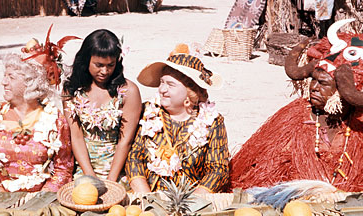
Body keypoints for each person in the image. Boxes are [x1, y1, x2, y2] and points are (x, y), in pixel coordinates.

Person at [230, 19, 363, 192]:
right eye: (313, 80)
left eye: (322, 83)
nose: (313, 87)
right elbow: (264, 173)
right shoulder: (293, 120)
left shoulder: (357, 124)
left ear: (341, 91)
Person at [126, 45, 229, 194]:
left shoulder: (212, 122)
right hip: (149, 198)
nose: (162, 89)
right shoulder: (148, 113)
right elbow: (134, 157)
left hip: (193, 202)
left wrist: (192, 204)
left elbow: (218, 169)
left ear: (190, 92)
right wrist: (146, 197)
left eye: (170, 84)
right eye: (162, 82)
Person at [0, 35, 74, 192]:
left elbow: (63, 169)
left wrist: (41, 198)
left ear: (31, 83)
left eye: (11, 77)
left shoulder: (56, 121)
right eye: (5, 75)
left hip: (42, 201)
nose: (3, 82)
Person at [63, 29, 141, 182]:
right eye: (98, 65)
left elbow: (125, 141)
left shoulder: (128, 91)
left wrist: (111, 180)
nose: (104, 71)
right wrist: (90, 175)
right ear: (86, 61)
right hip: (83, 166)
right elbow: (76, 136)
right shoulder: (71, 90)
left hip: (117, 167)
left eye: (110, 65)